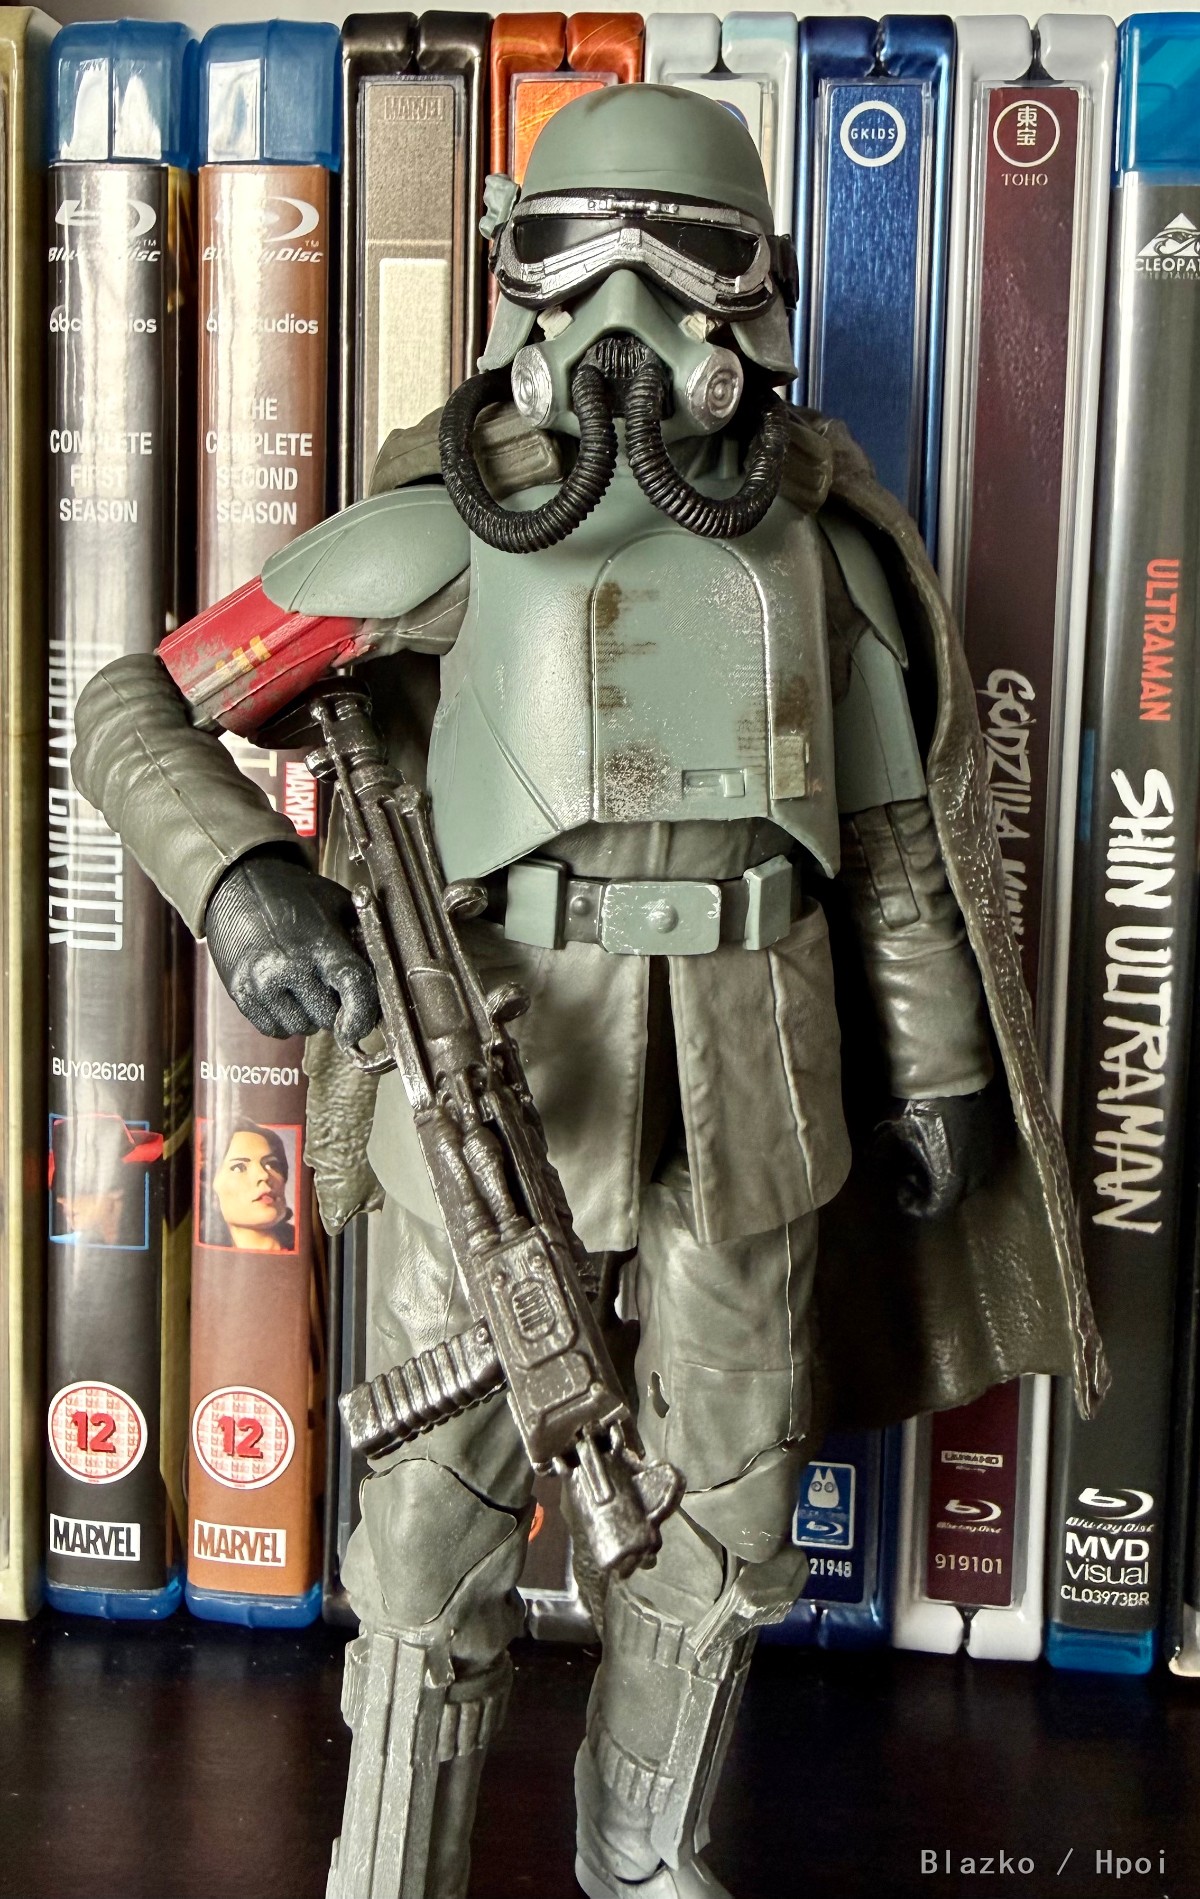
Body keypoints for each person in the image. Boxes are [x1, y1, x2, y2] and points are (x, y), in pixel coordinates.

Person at [71, 85, 1105, 1899]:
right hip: (496, 1071)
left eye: (679, 250)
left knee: (732, 1511)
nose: (626, 302)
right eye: (577, 246)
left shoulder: (819, 552)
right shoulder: (436, 530)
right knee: (429, 1532)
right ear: (515, 277)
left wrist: (939, 1069)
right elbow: (136, 703)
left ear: (751, 290)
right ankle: (393, 1861)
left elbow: (896, 849)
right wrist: (242, 880)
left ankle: (642, 1850)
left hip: (756, 1084)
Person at [201, 1119, 295, 1252]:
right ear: (209, 1185)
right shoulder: (206, 1252)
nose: (264, 1175)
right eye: (239, 1167)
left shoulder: (309, 1246)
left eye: (272, 1164)